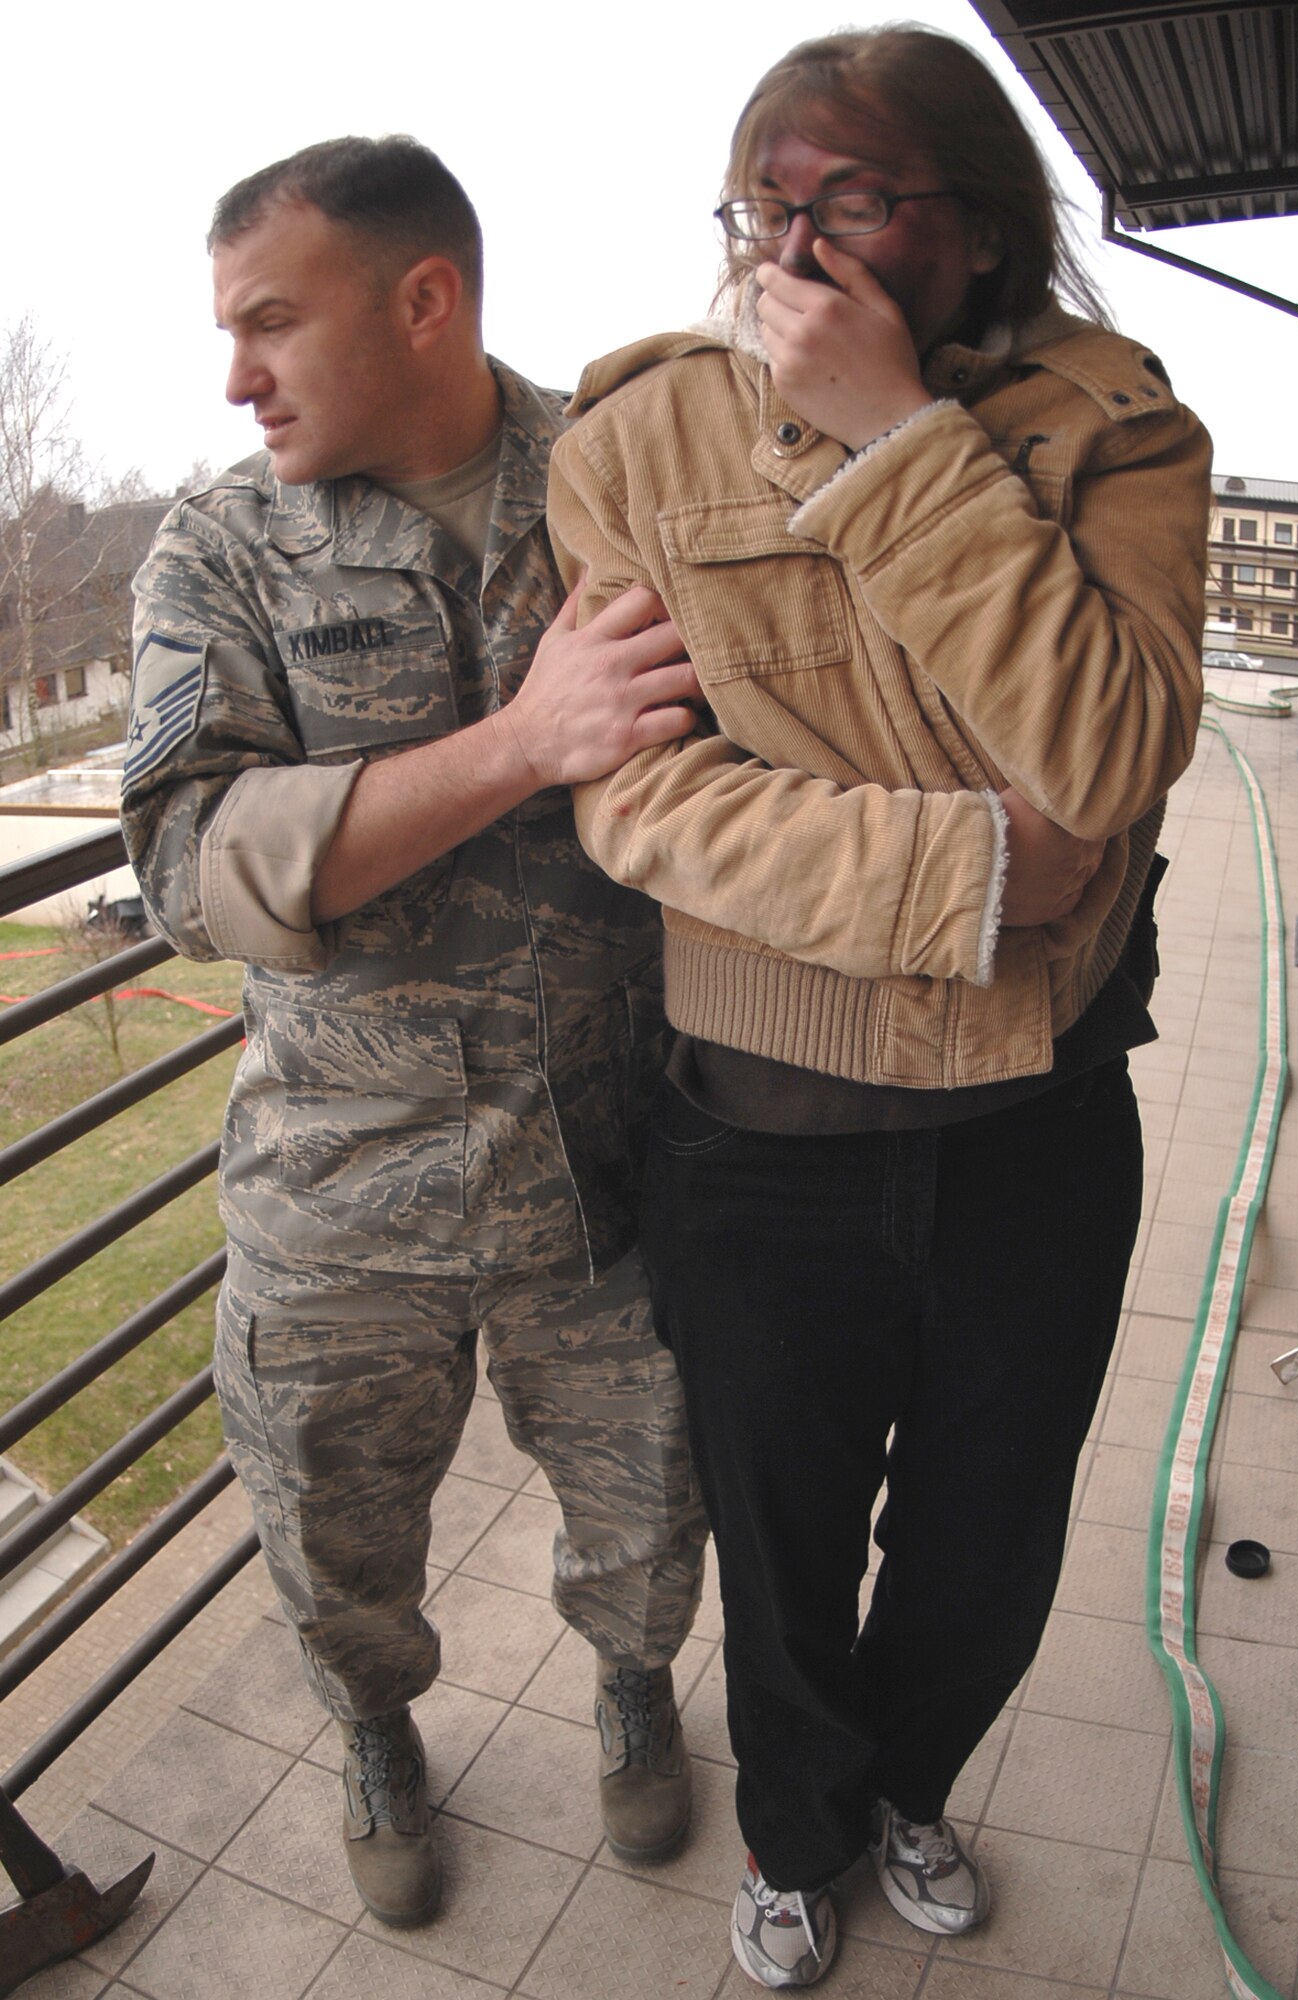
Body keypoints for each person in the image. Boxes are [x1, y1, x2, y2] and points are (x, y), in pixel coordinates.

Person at [546, 26, 1211, 1990]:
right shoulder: (636, 447)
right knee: (779, 1536)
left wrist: (899, 440)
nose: (794, 244)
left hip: (1038, 1129)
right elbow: (635, 793)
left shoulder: (1115, 433)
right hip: (756, 1143)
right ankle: (795, 1825)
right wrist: (975, 878)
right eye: (767, 200)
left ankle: (908, 1779)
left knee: (989, 1543)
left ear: (979, 223)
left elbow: (1101, 751)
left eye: (852, 197)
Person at [120, 136, 713, 1930]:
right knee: (328, 1524)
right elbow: (187, 869)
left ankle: (628, 1687)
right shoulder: (221, 543)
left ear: (424, 300)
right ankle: (378, 1728)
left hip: (615, 1155)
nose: (237, 375)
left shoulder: (629, 488)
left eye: (271, 324)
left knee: (650, 1501)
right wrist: (525, 744)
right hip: (341, 1178)